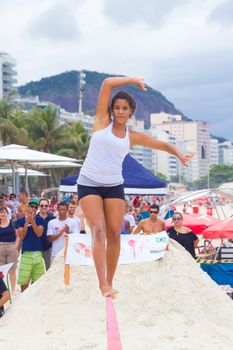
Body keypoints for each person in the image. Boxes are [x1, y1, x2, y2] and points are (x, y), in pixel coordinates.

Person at [77, 76, 193, 298]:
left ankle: (110, 281)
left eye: (125, 108)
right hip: (89, 183)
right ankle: (102, 283)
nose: (120, 111)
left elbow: (162, 144)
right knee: (99, 230)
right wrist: (134, 81)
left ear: (131, 112)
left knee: (115, 233)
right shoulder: (102, 122)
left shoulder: (133, 137)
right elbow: (107, 84)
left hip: (113, 186)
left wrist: (179, 154)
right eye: (117, 108)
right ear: (111, 110)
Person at [16, 199, 45, 292]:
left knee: (38, 280)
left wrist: (32, 221)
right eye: (32, 206)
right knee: (24, 281)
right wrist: (26, 222)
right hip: (26, 253)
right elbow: (22, 236)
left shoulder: (40, 219)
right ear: (28, 206)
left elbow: (39, 234)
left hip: (38, 252)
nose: (33, 208)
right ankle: (23, 301)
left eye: (36, 207)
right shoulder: (20, 220)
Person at [0, 206, 19, 293]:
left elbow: (18, 236)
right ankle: (3, 291)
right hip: (0, 248)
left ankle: (13, 290)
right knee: (1, 271)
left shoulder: (13, 223)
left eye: (4, 212)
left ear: (7, 214)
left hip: (12, 246)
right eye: (1, 212)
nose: (2, 214)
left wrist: (15, 246)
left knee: (12, 270)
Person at [37, 198, 56, 271]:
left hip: (49, 248)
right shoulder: (35, 218)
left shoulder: (53, 219)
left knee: (50, 269)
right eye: (42, 205)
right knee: (37, 271)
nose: (44, 207)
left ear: (48, 206)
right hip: (37, 248)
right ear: (39, 207)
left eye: (46, 205)